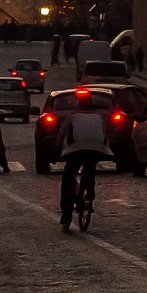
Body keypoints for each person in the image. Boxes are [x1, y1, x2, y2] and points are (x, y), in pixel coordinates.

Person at [57, 94, 109, 231]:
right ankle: (90, 192)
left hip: (76, 150)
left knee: (68, 178)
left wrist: (57, 148)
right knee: (90, 168)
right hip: (97, 149)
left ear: (79, 104)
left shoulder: (73, 115)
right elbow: (105, 134)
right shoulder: (99, 117)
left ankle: (66, 215)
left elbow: (62, 133)